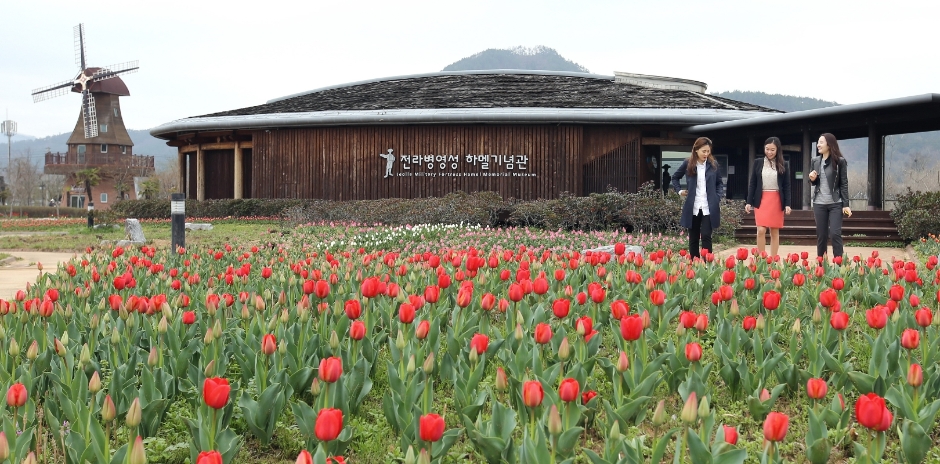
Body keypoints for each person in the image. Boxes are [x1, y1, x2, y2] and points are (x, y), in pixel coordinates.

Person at [671, 137, 724, 259]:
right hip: (693, 206)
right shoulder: (688, 163)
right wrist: (679, 191)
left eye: (708, 151)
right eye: (703, 151)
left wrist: (717, 197)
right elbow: (675, 177)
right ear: (696, 150)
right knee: (693, 237)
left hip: (708, 205)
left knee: (706, 235)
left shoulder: (713, 164)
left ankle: (707, 264)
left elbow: (719, 183)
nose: (706, 154)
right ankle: (694, 264)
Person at [745, 137, 792, 257]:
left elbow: (786, 186)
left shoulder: (784, 164)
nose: (769, 152)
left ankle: (773, 260)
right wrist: (749, 201)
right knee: (761, 230)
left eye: (772, 150)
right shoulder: (758, 162)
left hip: (776, 199)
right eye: (767, 149)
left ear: (777, 150)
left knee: (774, 231)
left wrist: (787, 204)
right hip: (761, 199)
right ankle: (761, 259)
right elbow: (753, 183)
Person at [808, 133, 851, 260]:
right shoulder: (815, 161)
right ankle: (821, 266)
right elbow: (813, 182)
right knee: (821, 235)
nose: (818, 145)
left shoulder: (840, 162)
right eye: (818, 142)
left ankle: (839, 264)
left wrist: (846, 204)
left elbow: (844, 183)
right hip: (819, 203)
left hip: (835, 203)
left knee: (835, 234)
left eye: (821, 142)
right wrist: (812, 179)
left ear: (829, 144)